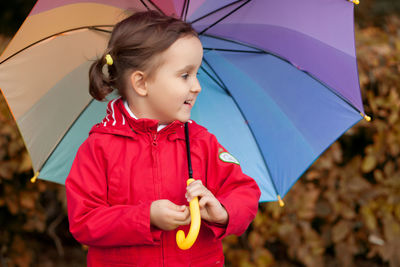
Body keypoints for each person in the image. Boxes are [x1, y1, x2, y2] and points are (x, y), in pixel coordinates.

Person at [65, 10, 260, 267]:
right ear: (142, 83)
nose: (197, 86)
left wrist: (222, 211)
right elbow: (84, 221)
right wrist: (146, 217)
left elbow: (244, 191)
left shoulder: (201, 142)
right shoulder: (99, 147)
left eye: (197, 74)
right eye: (185, 75)